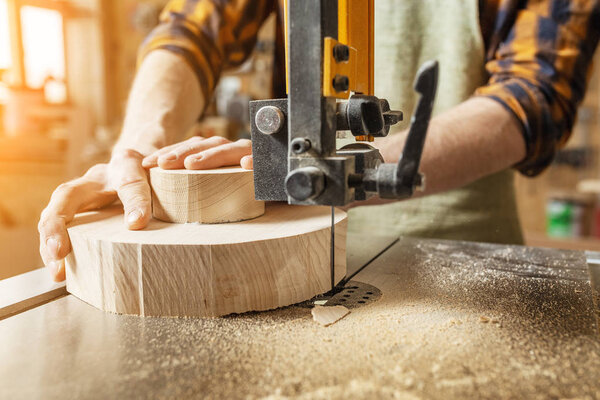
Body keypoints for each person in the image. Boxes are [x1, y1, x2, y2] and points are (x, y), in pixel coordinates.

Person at [38, 0, 600, 281]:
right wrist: (137, 150)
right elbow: (192, 29)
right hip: (294, 257)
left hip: (464, 257)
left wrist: (335, 169)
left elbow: (534, 94)